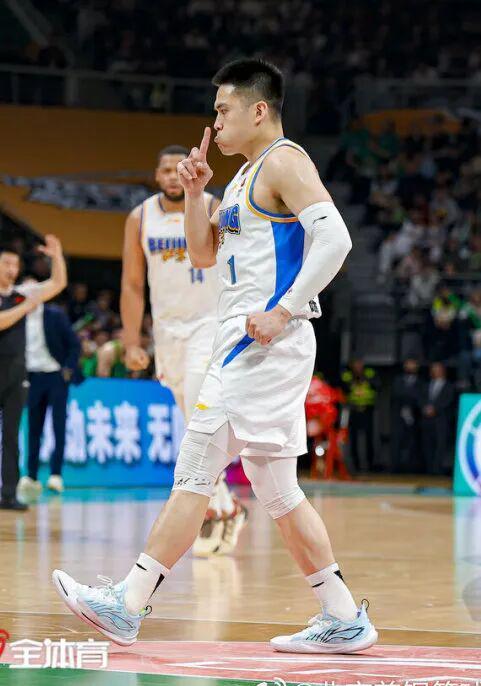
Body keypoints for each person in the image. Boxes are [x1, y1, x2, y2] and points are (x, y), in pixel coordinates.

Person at [53, 58, 377, 654]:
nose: (216, 122)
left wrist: (285, 309)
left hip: (262, 340)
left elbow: (336, 238)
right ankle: (341, 614)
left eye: (224, 110)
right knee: (276, 489)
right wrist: (198, 193)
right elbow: (202, 256)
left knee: (197, 465)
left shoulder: (284, 160)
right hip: (250, 338)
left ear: (259, 110)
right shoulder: (242, 178)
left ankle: (128, 602)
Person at [119, 144, 246, 556]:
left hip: (208, 323)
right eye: (165, 169)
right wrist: (132, 340)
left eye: (180, 168)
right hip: (167, 330)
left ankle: (216, 507)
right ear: (156, 176)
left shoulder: (212, 205)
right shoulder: (140, 217)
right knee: (189, 415)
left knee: (197, 411)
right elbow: (132, 284)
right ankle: (226, 505)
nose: (173, 175)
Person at [0, 236, 67, 510]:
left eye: (15, 265)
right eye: (6, 263)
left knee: (12, 436)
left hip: (16, 375)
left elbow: (57, 283)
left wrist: (57, 255)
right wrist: (26, 308)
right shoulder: (23, 301)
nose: (11, 269)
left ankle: (8, 493)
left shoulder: (20, 293)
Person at [18, 282, 81, 499]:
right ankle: (31, 476)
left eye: (32, 292)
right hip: (33, 377)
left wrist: (68, 370)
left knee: (58, 426)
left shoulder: (55, 315)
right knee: (33, 428)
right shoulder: (18, 318)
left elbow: (74, 344)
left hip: (56, 376)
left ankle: (56, 475)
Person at [342, 360, 379, 473]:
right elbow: (343, 388)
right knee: (353, 439)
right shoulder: (347, 375)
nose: (358, 366)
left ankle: (370, 465)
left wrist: (365, 380)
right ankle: (355, 465)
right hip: (353, 410)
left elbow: (377, 386)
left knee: (369, 438)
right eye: (356, 363)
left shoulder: (370, 374)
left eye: (360, 363)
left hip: (367, 409)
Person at [420, 362, 455, 475]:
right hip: (426, 420)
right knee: (427, 446)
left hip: (441, 421)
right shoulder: (425, 385)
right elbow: (420, 399)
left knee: (440, 446)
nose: (435, 371)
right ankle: (429, 471)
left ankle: (438, 471)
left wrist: (435, 409)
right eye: (433, 369)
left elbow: (448, 401)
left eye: (437, 369)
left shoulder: (450, 386)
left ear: (443, 370)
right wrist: (425, 408)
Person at [391, 358, 424, 473]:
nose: (410, 366)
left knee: (413, 443)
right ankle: (394, 469)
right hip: (398, 416)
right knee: (396, 442)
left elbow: (420, 397)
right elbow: (396, 393)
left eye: (413, 364)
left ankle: (411, 469)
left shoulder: (421, 382)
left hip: (415, 416)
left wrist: (409, 394)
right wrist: (410, 394)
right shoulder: (398, 380)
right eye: (408, 364)